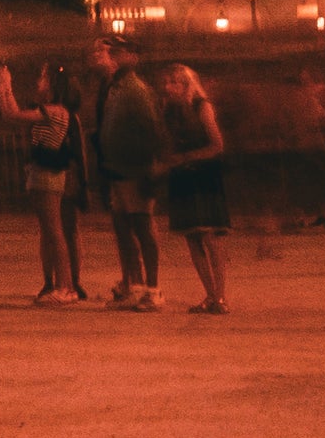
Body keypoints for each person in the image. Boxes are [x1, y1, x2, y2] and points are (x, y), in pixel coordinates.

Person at [0, 62, 88, 304]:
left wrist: (5, 87)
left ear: (55, 86)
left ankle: (66, 287)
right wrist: (2, 89)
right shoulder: (53, 110)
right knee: (49, 231)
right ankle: (59, 284)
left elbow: (13, 115)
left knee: (55, 232)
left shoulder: (54, 110)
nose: (38, 82)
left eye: (43, 78)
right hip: (41, 173)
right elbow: (8, 115)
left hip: (47, 175)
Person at [90, 36, 168, 310]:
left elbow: (151, 129)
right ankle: (134, 285)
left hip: (134, 169)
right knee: (123, 227)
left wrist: (150, 167)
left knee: (142, 227)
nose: (109, 56)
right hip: (116, 169)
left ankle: (153, 288)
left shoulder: (134, 89)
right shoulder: (114, 88)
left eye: (115, 52)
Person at [160, 64, 233, 316]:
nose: (168, 87)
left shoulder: (202, 107)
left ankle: (220, 296)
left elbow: (217, 145)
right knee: (192, 237)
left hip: (204, 176)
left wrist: (187, 157)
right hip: (182, 178)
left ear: (186, 85)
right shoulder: (169, 110)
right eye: (166, 82)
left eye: (174, 82)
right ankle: (210, 295)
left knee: (212, 237)